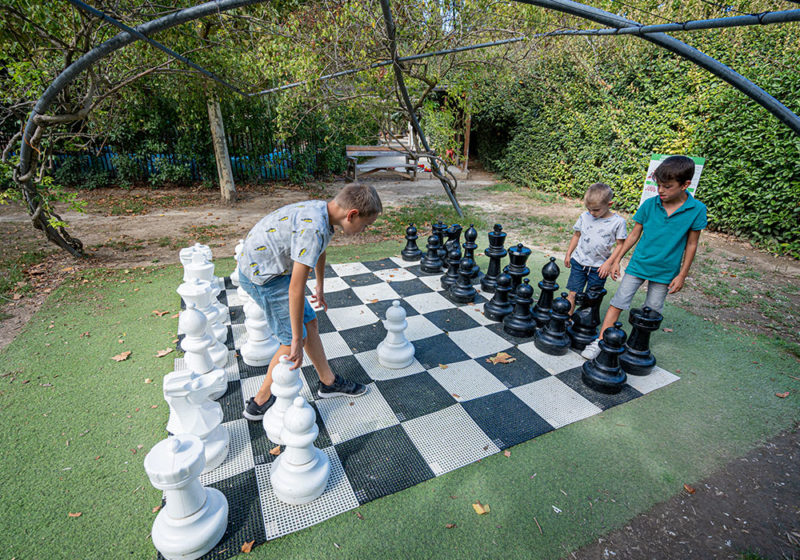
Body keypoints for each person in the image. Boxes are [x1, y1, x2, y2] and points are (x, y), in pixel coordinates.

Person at [238, 184, 383, 420]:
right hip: (264, 278)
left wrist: (320, 285)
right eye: (365, 225)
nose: (364, 230)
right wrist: (296, 339)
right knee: (290, 343)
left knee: (310, 322)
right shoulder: (314, 229)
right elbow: (295, 289)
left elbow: (319, 250)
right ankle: (259, 401)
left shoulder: (323, 212)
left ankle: (328, 383)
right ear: (352, 214)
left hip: (270, 269)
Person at [581, 156, 707, 360]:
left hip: (665, 271)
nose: (661, 191)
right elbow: (633, 235)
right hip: (638, 265)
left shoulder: (697, 210)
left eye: (667, 186)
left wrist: (682, 274)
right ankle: (602, 341)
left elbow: (692, 244)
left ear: (685, 185)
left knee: (650, 313)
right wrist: (616, 260)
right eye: (658, 185)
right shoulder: (650, 205)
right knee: (618, 302)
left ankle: (635, 348)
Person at [564, 182, 628, 314]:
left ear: (609, 204)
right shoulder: (584, 216)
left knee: (591, 298)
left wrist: (608, 264)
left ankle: (583, 323)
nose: (592, 213)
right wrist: (568, 254)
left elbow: (620, 245)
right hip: (579, 262)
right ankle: (567, 319)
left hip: (599, 267)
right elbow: (576, 235)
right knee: (573, 294)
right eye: (589, 209)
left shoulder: (618, 222)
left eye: (596, 210)